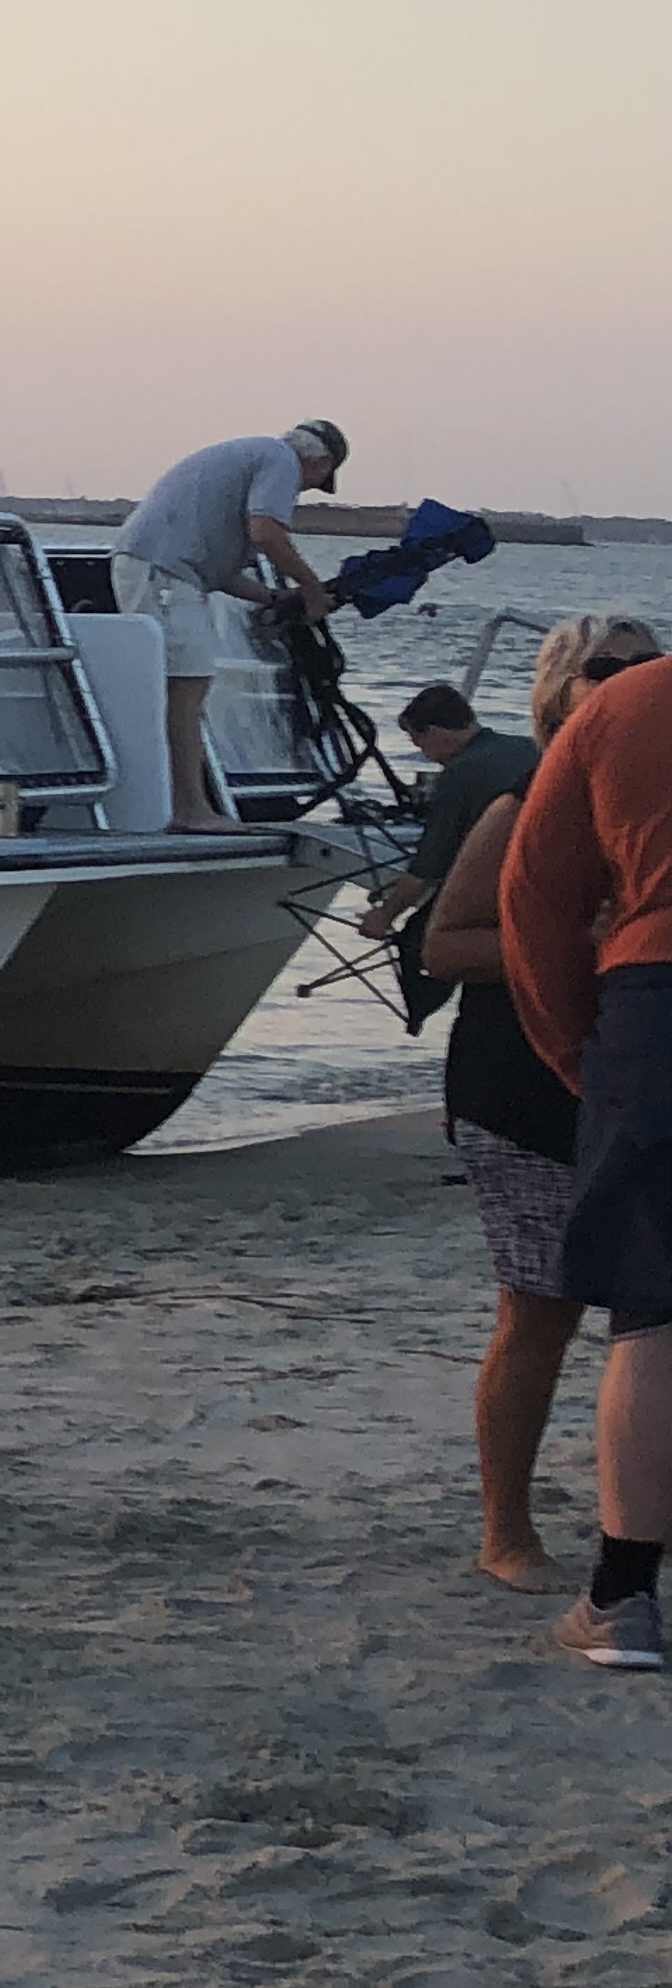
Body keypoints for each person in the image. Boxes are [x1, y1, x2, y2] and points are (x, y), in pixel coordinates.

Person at [422, 617, 660, 1591]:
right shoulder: (525, 802)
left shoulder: (642, 792)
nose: (629, 685)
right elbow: (445, 944)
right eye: (607, 670)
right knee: (541, 1309)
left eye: (647, 668)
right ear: (558, 692)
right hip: (522, 1082)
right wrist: (576, 946)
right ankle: (506, 1531)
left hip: (632, 1075)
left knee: (651, 1315)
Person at [503, 632, 672, 1670]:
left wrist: (575, 1047)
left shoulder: (626, 706)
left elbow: (536, 896)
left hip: (658, 997)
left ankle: (621, 1599)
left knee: (654, 1307)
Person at [110, 422, 347, 833]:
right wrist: (310, 589)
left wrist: (275, 599)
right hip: (163, 574)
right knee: (185, 690)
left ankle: (183, 802)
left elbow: (218, 574)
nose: (302, 493)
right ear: (319, 461)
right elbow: (266, 533)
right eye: (315, 483)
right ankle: (189, 809)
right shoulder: (280, 460)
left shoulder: (249, 457)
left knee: (184, 688)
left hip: (162, 569)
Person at [354, 683, 535, 953]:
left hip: (508, 892)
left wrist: (385, 915)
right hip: (550, 876)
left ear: (435, 732)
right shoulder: (529, 746)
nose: (426, 756)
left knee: (418, 943)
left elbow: (426, 868)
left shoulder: (460, 772)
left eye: (419, 743)